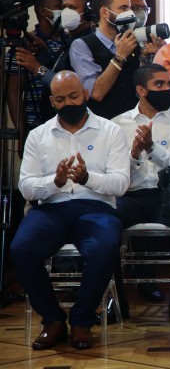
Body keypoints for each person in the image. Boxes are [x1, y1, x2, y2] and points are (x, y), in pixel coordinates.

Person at [11, 71, 130, 350]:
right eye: (61, 99)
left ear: (85, 94)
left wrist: (88, 179)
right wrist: (55, 182)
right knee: (21, 249)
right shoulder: (38, 136)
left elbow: (121, 183)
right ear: (52, 102)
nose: (68, 104)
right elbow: (26, 187)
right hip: (50, 208)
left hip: (96, 207)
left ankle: (81, 321)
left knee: (104, 248)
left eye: (74, 96)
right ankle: (53, 320)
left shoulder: (111, 131)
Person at [111, 64, 170, 309]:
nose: (167, 89)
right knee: (105, 226)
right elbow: (113, 173)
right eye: (159, 85)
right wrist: (134, 154)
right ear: (141, 90)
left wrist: (153, 149)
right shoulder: (117, 124)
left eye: (168, 84)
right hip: (130, 196)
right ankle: (116, 303)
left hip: (167, 196)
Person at [70, 0, 163, 119]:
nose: (130, 14)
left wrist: (146, 59)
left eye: (130, 8)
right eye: (123, 8)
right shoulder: (82, 46)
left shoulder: (133, 41)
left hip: (133, 121)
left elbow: (141, 90)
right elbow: (96, 93)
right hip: (103, 123)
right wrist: (120, 56)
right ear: (105, 12)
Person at [6, 0, 66, 132]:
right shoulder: (24, 47)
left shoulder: (71, 42)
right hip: (36, 126)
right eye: (60, 7)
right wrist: (21, 133)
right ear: (43, 11)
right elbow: (13, 94)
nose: (65, 12)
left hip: (68, 123)